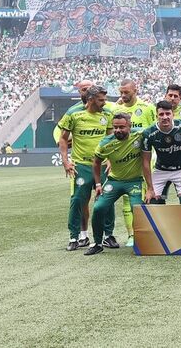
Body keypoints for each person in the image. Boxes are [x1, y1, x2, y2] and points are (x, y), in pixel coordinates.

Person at [58, 85, 114, 251]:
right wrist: (66, 161)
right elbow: (63, 139)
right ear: (90, 99)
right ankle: (74, 237)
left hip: (102, 164)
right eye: (101, 100)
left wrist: (111, 159)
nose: (105, 103)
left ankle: (108, 235)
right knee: (78, 200)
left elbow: (111, 139)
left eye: (105, 99)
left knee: (106, 199)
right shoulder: (73, 114)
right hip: (81, 165)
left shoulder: (108, 115)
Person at [84, 113, 144, 256]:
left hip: (134, 181)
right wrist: (98, 184)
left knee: (137, 209)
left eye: (122, 127)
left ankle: (142, 243)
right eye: (115, 127)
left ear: (130, 126)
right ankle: (98, 243)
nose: (118, 130)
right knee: (98, 208)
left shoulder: (140, 135)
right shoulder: (106, 143)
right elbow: (96, 162)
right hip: (114, 182)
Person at [112, 78, 155, 246]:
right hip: (124, 161)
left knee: (146, 196)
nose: (123, 96)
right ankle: (132, 235)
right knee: (127, 199)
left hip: (144, 159)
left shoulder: (147, 108)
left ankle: (147, 232)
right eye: (121, 92)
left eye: (126, 92)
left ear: (135, 90)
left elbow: (153, 132)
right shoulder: (116, 109)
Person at [140, 101, 181, 204]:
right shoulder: (149, 133)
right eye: (161, 114)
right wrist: (149, 188)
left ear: (173, 114)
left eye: (168, 114)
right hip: (161, 170)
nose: (165, 117)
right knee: (152, 201)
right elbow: (145, 161)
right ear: (156, 116)